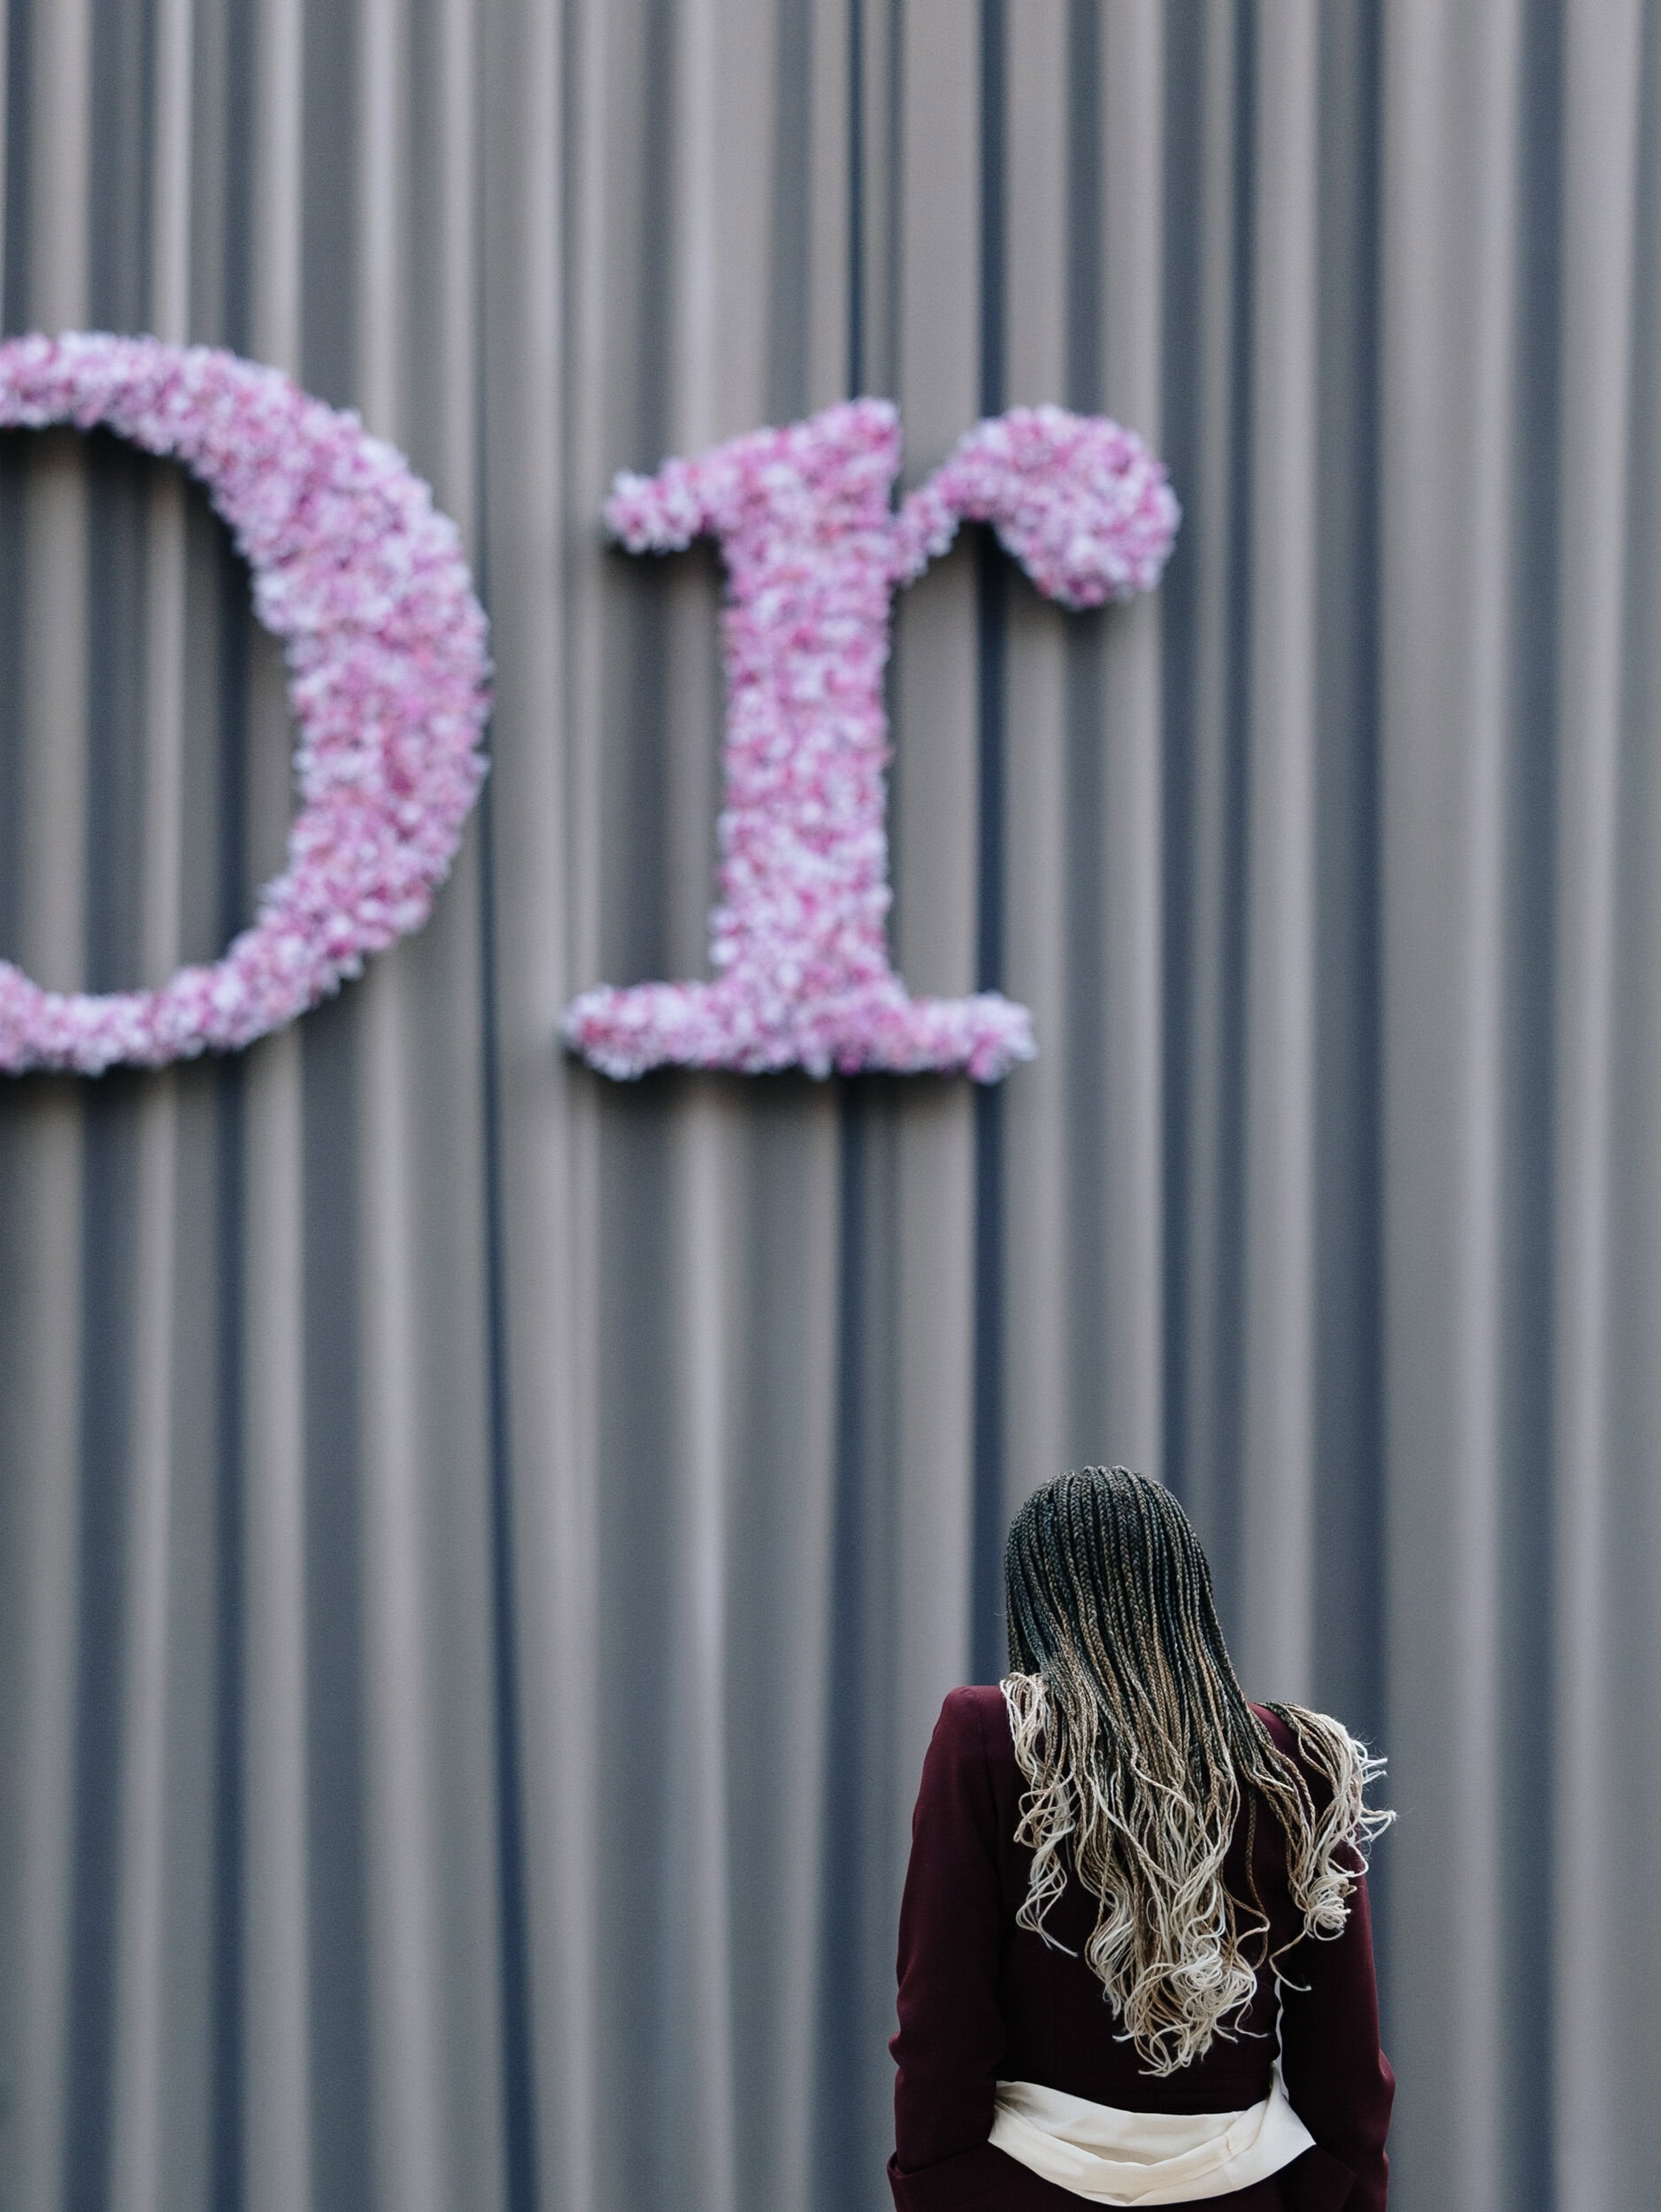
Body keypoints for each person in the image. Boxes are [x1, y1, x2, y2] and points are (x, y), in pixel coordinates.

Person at [888, 1467, 1394, 2212]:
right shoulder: (1299, 1763)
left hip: (1021, 2191)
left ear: (1033, 1600)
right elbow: (1343, 2055)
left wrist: (934, 2190)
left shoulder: (992, 1739)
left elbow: (941, 2019)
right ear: (1186, 1593)